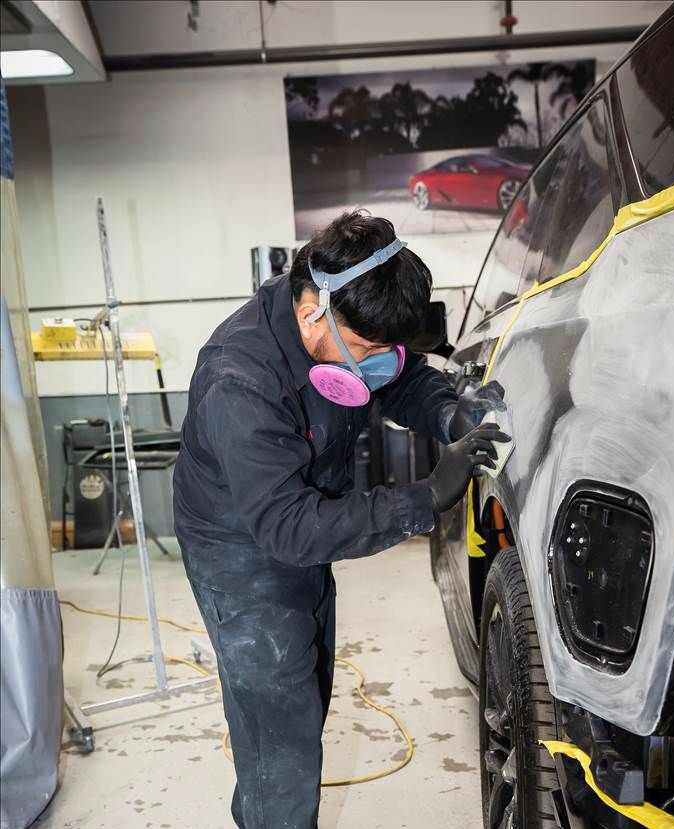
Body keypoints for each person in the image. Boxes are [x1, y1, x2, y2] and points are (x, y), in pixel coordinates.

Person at [173, 210, 509, 829]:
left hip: (305, 516)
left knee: (309, 687)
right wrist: (426, 495)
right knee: (282, 731)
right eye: (368, 351)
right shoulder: (239, 379)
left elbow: (400, 376)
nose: (379, 364)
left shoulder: (345, 320)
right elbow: (289, 528)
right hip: (240, 545)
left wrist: (446, 414)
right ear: (311, 313)